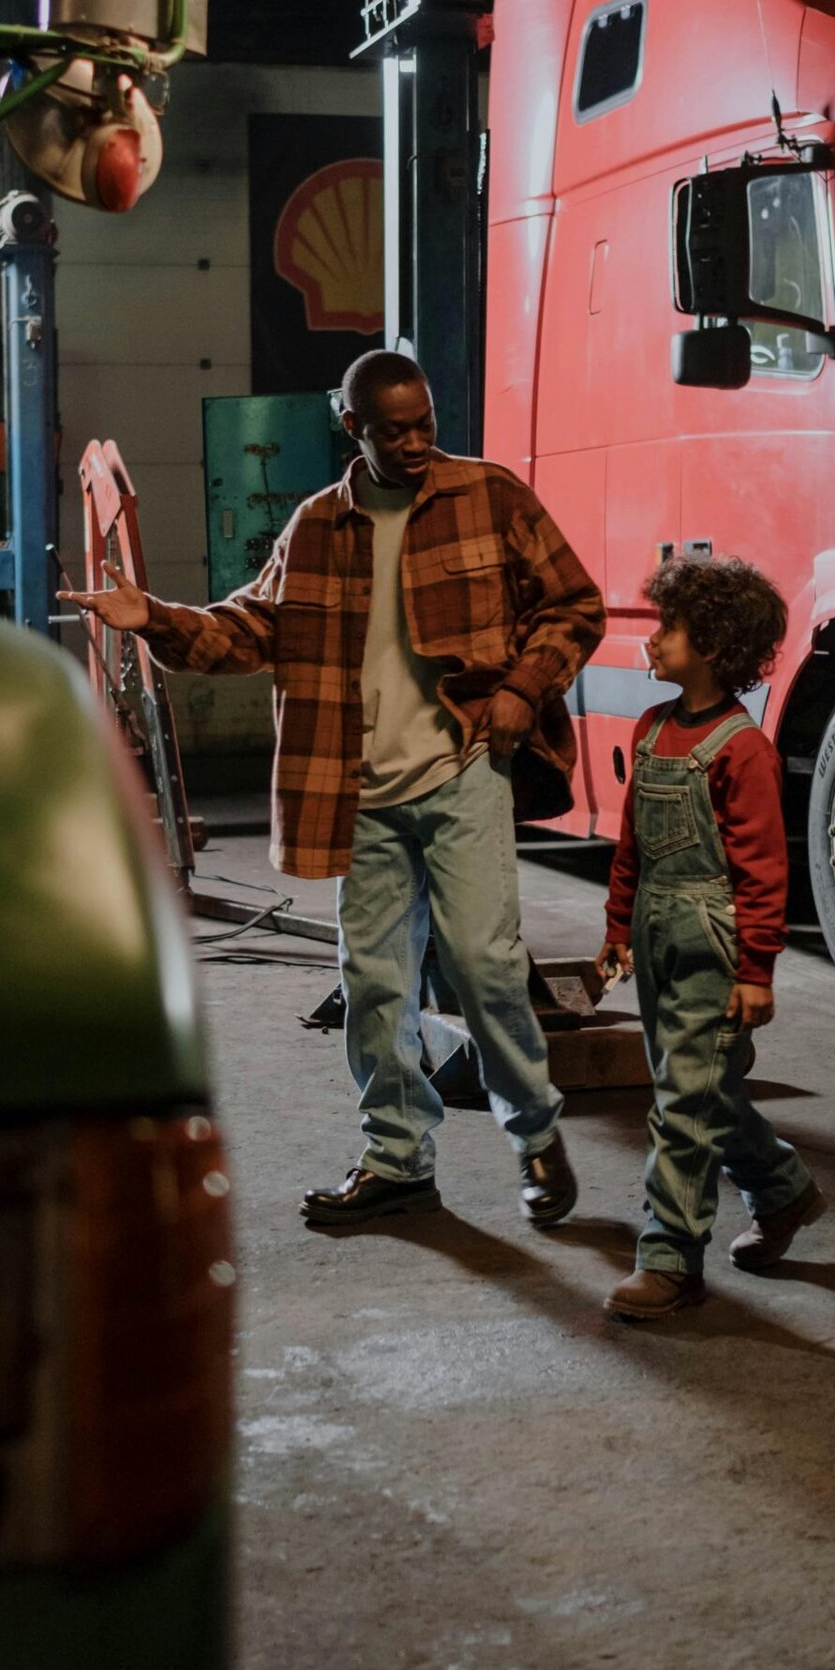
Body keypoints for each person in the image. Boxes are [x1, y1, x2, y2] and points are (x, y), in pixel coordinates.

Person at [62, 350, 605, 1230]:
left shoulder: (490, 496)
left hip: (461, 771)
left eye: (427, 421)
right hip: (365, 794)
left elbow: (575, 604)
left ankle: (535, 1135)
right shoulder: (316, 526)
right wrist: (154, 616)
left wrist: (521, 688)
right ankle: (398, 1160)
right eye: (396, 430)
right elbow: (249, 630)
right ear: (353, 428)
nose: (419, 441)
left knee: (483, 968)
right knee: (374, 984)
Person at [594, 554, 826, 1322]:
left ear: (715, 646)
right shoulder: (654, 727)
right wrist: (618, 924)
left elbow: (763, 871)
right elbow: (631, 844)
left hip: (713, 946)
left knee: (683, 1105)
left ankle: (670, 1260)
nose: (653, 640)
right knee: (703, 1091)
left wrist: (756, 970)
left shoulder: (741, 749)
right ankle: (783, 1190)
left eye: (669, 627)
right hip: (658, 938)